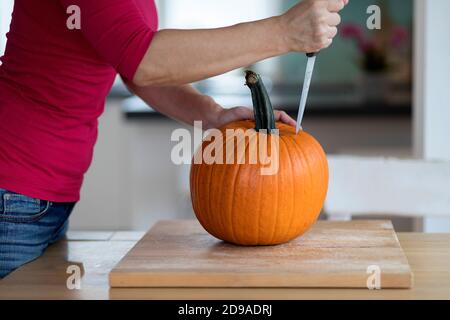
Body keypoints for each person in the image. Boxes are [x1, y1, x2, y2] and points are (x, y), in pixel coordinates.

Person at [0, 0, 348, 278]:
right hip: (13, 187)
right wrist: (285, 32)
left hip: (37, 197)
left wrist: (210, 113)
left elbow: (138, 70)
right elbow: (144, 59)